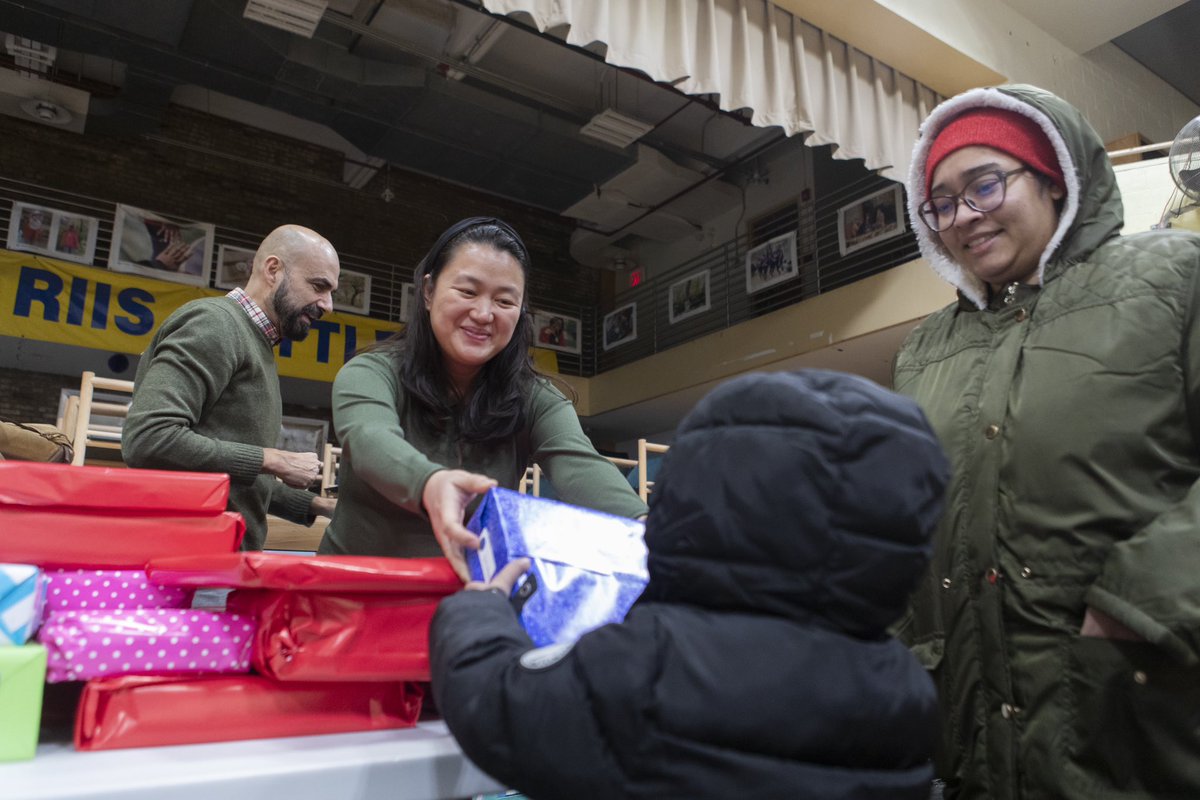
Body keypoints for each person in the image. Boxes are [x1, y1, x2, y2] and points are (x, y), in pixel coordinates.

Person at [430, 369, 950, 800]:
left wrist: (478, 612)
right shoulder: (903, 685)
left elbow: (499, 703)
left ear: (694, 500)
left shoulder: (650, 663)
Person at [893, 84, 1200, 800]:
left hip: (1139, 706)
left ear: (1054, 179)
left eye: (985, 184)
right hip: (964, 732)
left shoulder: (1173, 281)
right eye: (940, 202)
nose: (963, 215)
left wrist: (1137, 606)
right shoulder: (921, 352)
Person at [317, 217, 645, 578]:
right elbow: (369, 438)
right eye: (468, 292)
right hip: (352, 592)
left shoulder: (534, 398)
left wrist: (647, 526)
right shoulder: (371, 373)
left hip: (467, 601)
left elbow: (581, 464)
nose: (484, 314)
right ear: (428, 291)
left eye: (505, 300)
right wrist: (429, 484)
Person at [123, 224, 339, 550]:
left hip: (216, 560)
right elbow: (148, 439)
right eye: (318, 286)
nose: (328, 305)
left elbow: (232, 475)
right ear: (273, 270)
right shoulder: (215, 325)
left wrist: (315, 505)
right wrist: (273, 459)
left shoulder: (254, 342)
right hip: (191, 562)